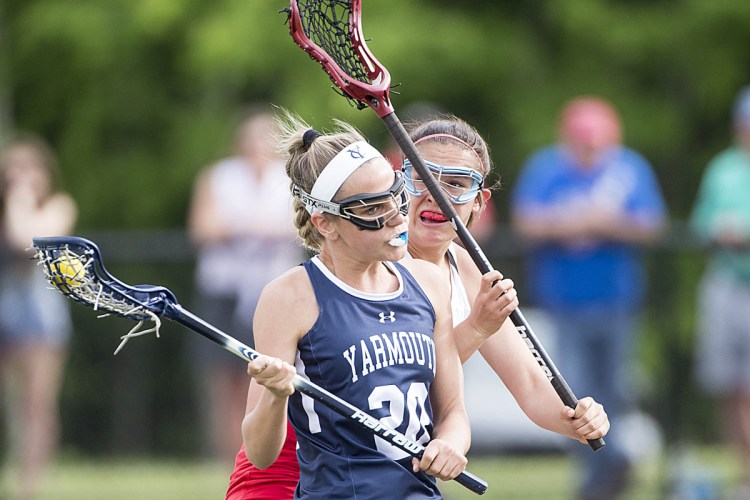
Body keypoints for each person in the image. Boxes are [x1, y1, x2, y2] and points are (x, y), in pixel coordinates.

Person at [226, 113, 610, 499]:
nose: (435, 194)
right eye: (421, 178)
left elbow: (524, 384)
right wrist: (476, 327)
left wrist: (575, 419)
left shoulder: (462, 268)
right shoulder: (367, 255)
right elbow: (392, 371)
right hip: (300, 462)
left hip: (389, 476)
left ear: (479, 201)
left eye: (456, 184)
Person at [238, 112, 471, 499]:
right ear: (326, 223)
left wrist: (451, 444)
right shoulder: (290, 297)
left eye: (396, 196)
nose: (397, 218)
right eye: (373, 209)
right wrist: (277, 396)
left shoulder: (428, 281)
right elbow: (261, 455)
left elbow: (453, 412)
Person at [511, 97, 666, 499]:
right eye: (583, 144)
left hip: (618, 301)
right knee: (570, 390)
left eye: (597, 145)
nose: (590, 153)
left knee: (615, 390)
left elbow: (651, 226)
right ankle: (595, 471)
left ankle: (611, 471)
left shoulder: (629, 168)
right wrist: (570, 223)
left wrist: (607, 224)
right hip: (564, 303)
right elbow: (526, 221)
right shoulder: (546, 168)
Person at [187, 104, 304, 465]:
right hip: (224, 289)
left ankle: (269, 459)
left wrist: (239, 227)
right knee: (224, 382)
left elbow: (300, 231)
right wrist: (256, 228)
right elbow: (203, 229)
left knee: (271, 379)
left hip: (272, 292)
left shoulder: (288, 180)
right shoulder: (218, 177)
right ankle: (231, 460)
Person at [0, 133, 78, 500]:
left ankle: (28, 486)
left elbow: (25, 240)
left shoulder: (59, 205)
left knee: (36, 404)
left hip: (38, 318)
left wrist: (20, 199)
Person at [690, 86, 750, 498]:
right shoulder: (723, 168)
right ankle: (744, 470)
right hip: (727, 283)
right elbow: (701, 224)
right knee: (730, 385)